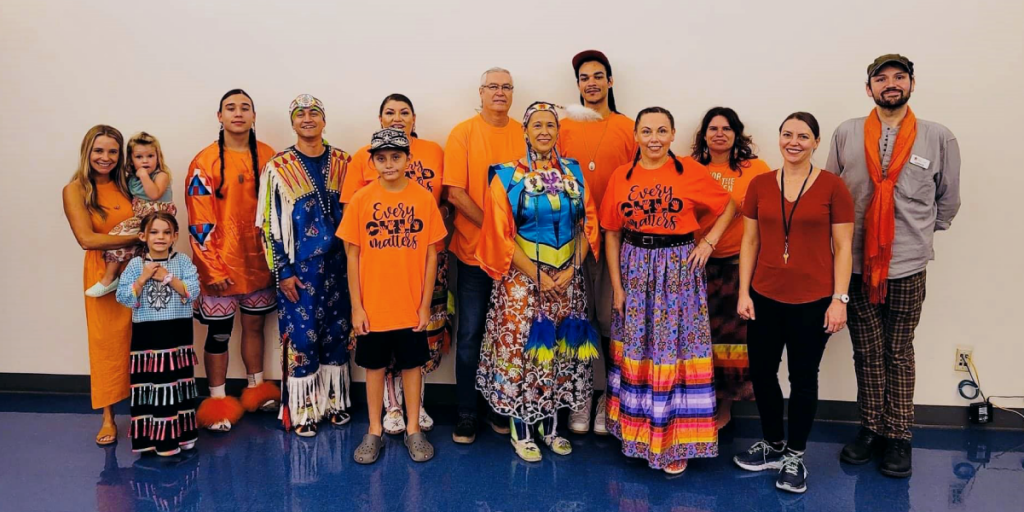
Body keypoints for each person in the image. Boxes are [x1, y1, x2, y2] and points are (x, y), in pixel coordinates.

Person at [828, 54, 961, 478]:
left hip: (908, 264)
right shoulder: (846, 133)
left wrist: (919, 237)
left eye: (899, 77)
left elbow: (949, 199)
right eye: (881, 78)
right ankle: (870, 430)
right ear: (869, 88)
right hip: (855, 264)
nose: (891, 84)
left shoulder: (938, 137)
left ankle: (899, 435)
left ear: (911, 85)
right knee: (866, 352)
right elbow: (831, 191)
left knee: (898, 352)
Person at [600, 107, 736, 475]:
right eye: (646, 131)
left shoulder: (690, 171)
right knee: (640, 348)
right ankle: (638, 433)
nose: (654, 138)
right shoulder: (620, 176)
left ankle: (675, 440)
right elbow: (611, 232)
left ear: (673, 134)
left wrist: (708, 242)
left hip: (677, 268)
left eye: (662, 130)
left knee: (674, 351)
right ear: (636, 136)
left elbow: (729, 205)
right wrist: (617, 285)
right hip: (634, 267)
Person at [733, 112, 854, 494]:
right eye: (787, 134)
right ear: (779, 138)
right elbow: (749, 242)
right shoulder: (761, 184)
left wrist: (839, 300)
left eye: (803, 136)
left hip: (813, 301)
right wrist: (743, 292)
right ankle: (772, 444)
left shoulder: (834, 187)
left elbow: (843, 247)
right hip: (765, 296)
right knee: (763, 374)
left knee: (803, 379)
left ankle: (795, 456)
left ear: (816, 142)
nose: (794, 142)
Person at [475, 101, 600, 461]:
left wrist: (571, 269)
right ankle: (521, 429)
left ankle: (553, 427)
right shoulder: (505, 177)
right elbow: (499, 235)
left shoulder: (573, 173)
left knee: (558, 354)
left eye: (550, 125)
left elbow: (587, 224)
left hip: (567, 283)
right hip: (522, 283)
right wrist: (538, 275)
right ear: (525, 131)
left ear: (558, 131)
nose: (544, 131)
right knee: (524, 353)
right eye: (537, 125)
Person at [340, 93, 451, 435]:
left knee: (415, 357)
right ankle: (380, 421)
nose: (389, 164)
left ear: (408, 159)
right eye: (382, 158)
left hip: (413, 290)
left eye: (396, 157)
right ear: (372, 162)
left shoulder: (421, 195)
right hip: (374, 294)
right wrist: (357, 306)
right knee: (375, 361)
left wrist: (422, 303)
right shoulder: (361, 198)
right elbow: (352, 250)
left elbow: (433, 250)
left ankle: (414, 420)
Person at [256, 94, 353, 437]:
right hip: (299, 270)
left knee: (338, 332)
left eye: (314, 113)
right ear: (293, 122)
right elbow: (269, 224)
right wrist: (282, 271)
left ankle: (333, 400)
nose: (308, 118)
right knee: (301, 336)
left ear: (324, 120)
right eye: (301, 114)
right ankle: (303, 407)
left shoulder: (344, 162)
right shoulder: (279, 167)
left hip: (341, 264)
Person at [187, 89, 279, 433]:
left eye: (245, 108)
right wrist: (211, 267)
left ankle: (256, 389)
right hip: (220, 266)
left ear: (254, 116)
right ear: (219, 117)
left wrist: (276, 259)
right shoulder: (204, 162)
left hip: (258, 262)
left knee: (255, 326)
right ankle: (217, 399)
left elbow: (279, 212)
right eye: (230, 108)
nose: (238, 113)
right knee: (219, 332)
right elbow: (199, 221)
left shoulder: (269, 157)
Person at [443, 67, 526, 443]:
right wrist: (495, 229)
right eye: (492, 86)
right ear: (480, 92)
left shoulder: (525, 135)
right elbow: (455, 194)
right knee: (471, 335)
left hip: (516, 259)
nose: (499, 92)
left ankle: (499, 408)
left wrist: (512, 238)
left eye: (506, 87)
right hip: (473, 256)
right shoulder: (463, 132)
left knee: (507, 337)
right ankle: (465, 412)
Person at [558, 50, 637, 435]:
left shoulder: (628, 126)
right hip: (572, 239)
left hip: (615, 240)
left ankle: (611, 398)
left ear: (610, 82)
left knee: (610, 321)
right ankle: (580, 397)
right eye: (584, 77)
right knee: (578, 319)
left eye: (598, 76)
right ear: (578, 85)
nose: (591, 83)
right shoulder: (564, 126)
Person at [691, 107, 772, 429]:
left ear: (737, 134)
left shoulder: (756, 170)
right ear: (704, 134)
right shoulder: (689, 167)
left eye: (726, 128)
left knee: (731, 342)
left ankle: (724, 409)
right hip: (695, 266)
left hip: (737, 267)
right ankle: (697, 401)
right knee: (696, 340)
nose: (719, 134)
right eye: (713, 128)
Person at [62, 125, 136, 445]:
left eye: (112, 151)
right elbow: (86, 239)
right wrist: (139, 235)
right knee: (107, 344)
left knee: (144, 343)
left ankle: (148, 414)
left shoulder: (129, 185)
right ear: (87, 152)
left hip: (140, 269)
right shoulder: (76, 190)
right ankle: (108, 418)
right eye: (99, 150)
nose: (105, 157)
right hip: (102, 272)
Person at [115, 212, 201, 456]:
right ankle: (152, 438)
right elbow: (123, 297)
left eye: (166, 232)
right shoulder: (135, 265)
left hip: (177, 332)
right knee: (151, 383)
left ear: (174, 236)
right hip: (147, 334)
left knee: (176, 382)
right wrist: (143, 278)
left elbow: (192, 292)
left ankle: (181, 435)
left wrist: (167, 277)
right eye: (154, 232)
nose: (160, 237)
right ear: (143, 236)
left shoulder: (182, 262)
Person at [85, 132, 177, 298]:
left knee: (155, 250)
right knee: (116, 235)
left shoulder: (161, 175)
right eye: (139, 157)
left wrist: (143, 176)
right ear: (131, 160)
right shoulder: (131, 179)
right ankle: (111, 278)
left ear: (158, 156)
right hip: (141, 219)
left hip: (159, 219)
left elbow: (154, 194)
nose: (145, 161)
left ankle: (146, 282)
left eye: (150, 156)